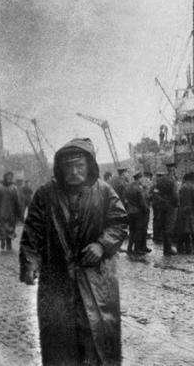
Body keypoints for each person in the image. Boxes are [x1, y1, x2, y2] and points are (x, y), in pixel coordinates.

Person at [19, 138, 127, 366]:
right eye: (69, 167)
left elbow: (118, 222)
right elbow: (32, 231)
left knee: (97, 339)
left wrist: (102, 245)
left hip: (96, 280)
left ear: (89, 166)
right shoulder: (45, 194)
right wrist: (30, 262)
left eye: (80, 166)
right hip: (57, 281)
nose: (75, 172)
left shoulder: (104, 192)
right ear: (60, 168)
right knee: (59, 341)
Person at [0, 171, 24, 250]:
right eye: (7, 177)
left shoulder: (14, 188)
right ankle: (2, 240)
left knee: (10, 229)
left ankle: (8, 243)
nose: (9, 179)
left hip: (11, 213)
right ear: (4, 177)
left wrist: (20, 214)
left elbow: (17, 202)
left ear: (12, 178)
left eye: (10, 177)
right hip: (0, 212)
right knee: (1, 228)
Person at [154, 165, 179, 256]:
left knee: (164, 227)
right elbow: (175, 195)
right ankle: (168, 249)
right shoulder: (173, 181)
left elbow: (155, 193)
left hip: (162, 207)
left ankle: (166, 249)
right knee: (169, 228)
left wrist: (162, 201)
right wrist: (176, 205)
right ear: (172, 170)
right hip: (171, 208)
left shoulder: (159, 181)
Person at [124, 172, 150, 255]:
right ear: (139, 178)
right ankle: (137, 250)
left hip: (130, 212)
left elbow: (124, 199)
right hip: (138, 213)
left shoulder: (128, 187)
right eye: (142, 178)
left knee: (132, 231)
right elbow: (142, 202)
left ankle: (129, 249)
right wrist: (146, 209)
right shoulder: (139, 188)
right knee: (138, 231)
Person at [177, 172, 194, 254]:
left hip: (183, 211)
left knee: (185, 230)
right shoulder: (193, 187)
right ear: (193, 178)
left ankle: (182, 247)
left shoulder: (182, 187)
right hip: (192, 212)